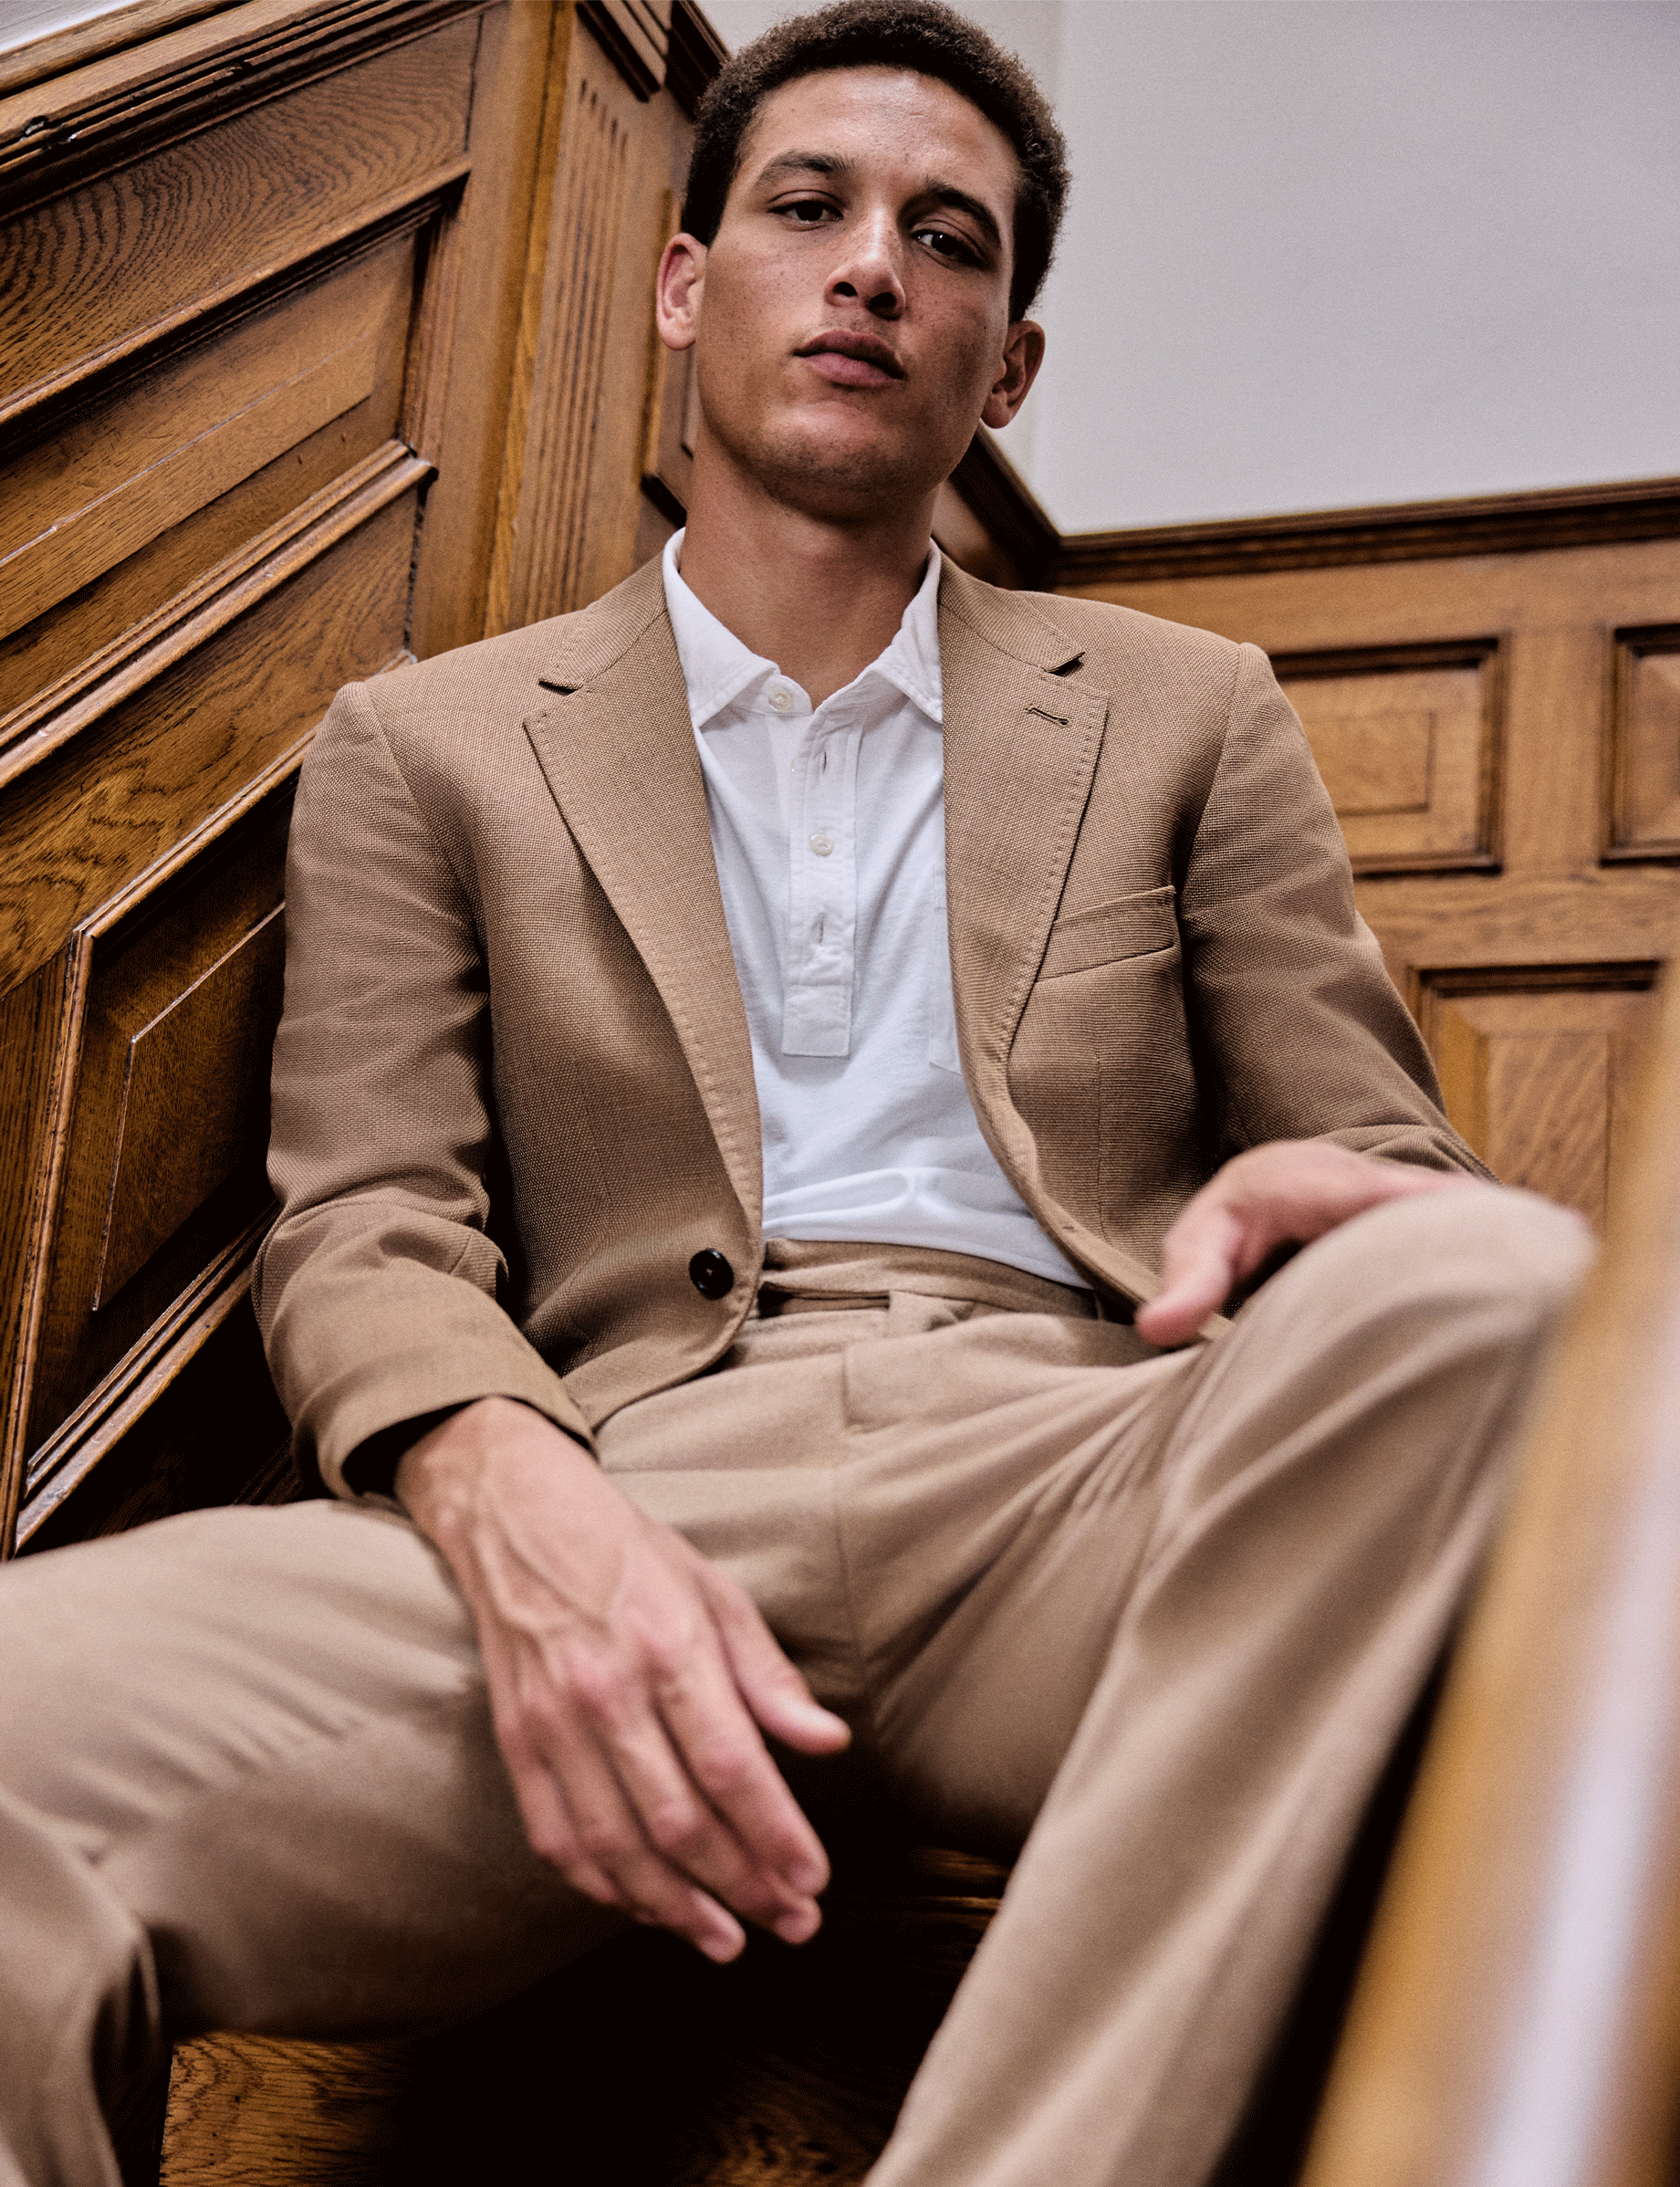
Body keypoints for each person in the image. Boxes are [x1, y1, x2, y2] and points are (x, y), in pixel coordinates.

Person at [0, 5, 1592, 2183]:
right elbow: (367, 1221)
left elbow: (1391, 1163)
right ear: (682, 284)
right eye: (809, 208)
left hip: (1085, 1455)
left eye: (950, 239)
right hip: (622, 1472)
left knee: (1501, 1277)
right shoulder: (433, 740)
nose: (873, 268)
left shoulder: (1188, 707)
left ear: (1004, 367)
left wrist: (1352, 1205)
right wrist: (505, 1486)